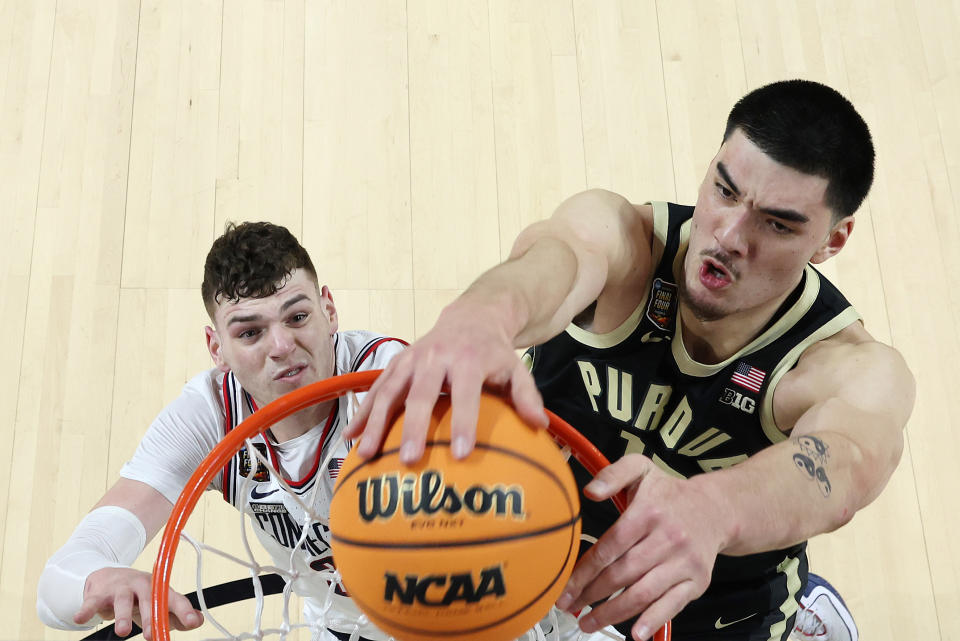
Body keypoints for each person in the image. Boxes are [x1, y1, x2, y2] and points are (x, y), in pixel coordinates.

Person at [345, 80, 915, 641]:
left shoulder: (843, 363)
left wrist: (714, 509)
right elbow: (561, 254)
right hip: (532, 541)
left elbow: (848, 460)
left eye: (777, 223)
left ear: (831, 242)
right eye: (724, 191)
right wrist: (483, 315)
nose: (729, 236)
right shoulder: (627, 243)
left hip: (709, 605)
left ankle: (809, 617)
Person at [37, 222, 407, 641]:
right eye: (250, 332)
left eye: (298, 317)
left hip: (463, 609)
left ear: (329, 310)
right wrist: (97, 583)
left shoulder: (389, 376)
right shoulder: (208, 418)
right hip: (342, 626)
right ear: (217, 349)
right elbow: (54, 590)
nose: (282, 345)